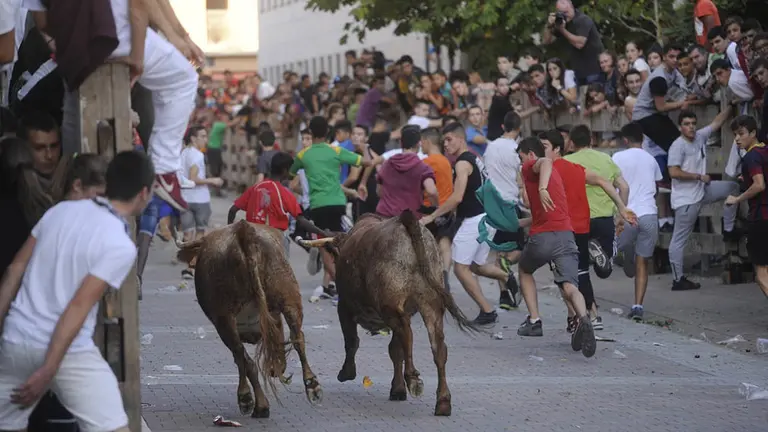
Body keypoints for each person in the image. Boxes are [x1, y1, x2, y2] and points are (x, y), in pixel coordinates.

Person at [0, 151, 153, 431]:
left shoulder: (59, 211)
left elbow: (13, 271)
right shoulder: (119, 244)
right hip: (69, 353)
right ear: (144, 193)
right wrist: (48, 369)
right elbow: (78, 306)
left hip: (17, 340)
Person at [419, 122, 516, 325]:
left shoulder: (462, 163)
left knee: (460, 269)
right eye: (444, 140)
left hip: (474, 221)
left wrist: (431, 216)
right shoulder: (475, 158)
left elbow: (457, 197)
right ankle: (508, 277)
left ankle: (487, 311)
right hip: (485, 218)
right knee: (476, 266)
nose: (446, 144)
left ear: (461, 138)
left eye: (449, 139)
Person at [514, 136, 595, 358]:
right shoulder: (556, 177)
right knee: (570, 286)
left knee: (524, 269)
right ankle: (584, 318)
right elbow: (543, 212)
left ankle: (534, 320)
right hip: (566, 235)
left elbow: (545, 162)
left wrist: (541, 188)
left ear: (530, 155)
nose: (521, 164)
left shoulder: (534, 164)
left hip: (543, 238)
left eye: (521, 158)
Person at [289, 116, 372, 299]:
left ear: (310, 133)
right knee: (340, 245)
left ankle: (343, 289)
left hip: (318, 206)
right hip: (337, 203)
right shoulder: (336, 150)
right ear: (328, 132)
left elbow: (291, 173)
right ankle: (350, 286)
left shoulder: (303, 155)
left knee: (325, 249)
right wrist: (364, 148)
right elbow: (367, 162)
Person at [667, 108, 738, 291]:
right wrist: (698, 176)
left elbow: (716, 122)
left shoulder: (699, 136)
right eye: (686, 124)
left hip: (702, 191)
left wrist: (731, 103)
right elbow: (673, 172)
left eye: (692, 123)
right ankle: (678, 279)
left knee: (733, 188)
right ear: (680, 127)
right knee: (678, 240)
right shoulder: (678, 146)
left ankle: (728, 229)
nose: (690, 127)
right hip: (686, 200)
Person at [228, 152, 328, 256]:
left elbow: (232, 210)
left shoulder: (255, 188)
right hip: (274, 240)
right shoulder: (285, 194)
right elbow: (301, 221)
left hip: (252, 238)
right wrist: (323, 233)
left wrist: (230, 234)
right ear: (285, 170)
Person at [614, 123, 663, 321]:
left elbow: (613, 184)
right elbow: (657, 187)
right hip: (649, 214)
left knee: (612, 250)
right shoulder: (651, 160)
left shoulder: (617, 157)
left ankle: (625, 255)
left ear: (625, 140)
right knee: (643, 262)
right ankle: (637, 306)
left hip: (627, 214)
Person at [481, 111, 525, 310]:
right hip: (510, 202)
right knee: (518, 249)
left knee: (499, 250)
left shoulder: (490, 147)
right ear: (518, 128)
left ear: (502, 127)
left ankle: (504, 296)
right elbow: (521, 175)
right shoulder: (517, 149)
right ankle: (508, 265)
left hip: (493, 203)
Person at [725, 115, 768, 298]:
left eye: (741, 134)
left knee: (761, 273)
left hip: (761, 217)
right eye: (735, 135)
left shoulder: (751, 157)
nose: (737, 139)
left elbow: (759, 184)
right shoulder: (765, 151)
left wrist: (738, 199)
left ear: (752, 133)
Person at [179, 125, 224, 279]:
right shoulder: (197, 155)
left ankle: (189, 265)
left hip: (184, 198)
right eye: (202, 136)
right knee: (200, 233)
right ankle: (192, 267)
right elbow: (193, 178)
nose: (206, 139)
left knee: (187, 233)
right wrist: (213, 180)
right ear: (193, 138)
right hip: (199, 199)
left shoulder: (183, 153)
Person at [375, 125, 438, 217]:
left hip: (384, 216)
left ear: (401, 143)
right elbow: (432, 191)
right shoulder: (422, 167)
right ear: (418, 144)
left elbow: (379, 191)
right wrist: (435, 207)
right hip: (408, 220)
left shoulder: (387, 164)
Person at [542, 0, 605, 86]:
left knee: (594, 95)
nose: (565, 15)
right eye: (562, 13)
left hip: (593, 69)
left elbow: (579, 44)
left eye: (566, 12)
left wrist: (562, 30)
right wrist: (548, 25)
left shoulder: (583, 20)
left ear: (571, 6)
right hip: (577, 71)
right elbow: (546, 41)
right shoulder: (561, 22)